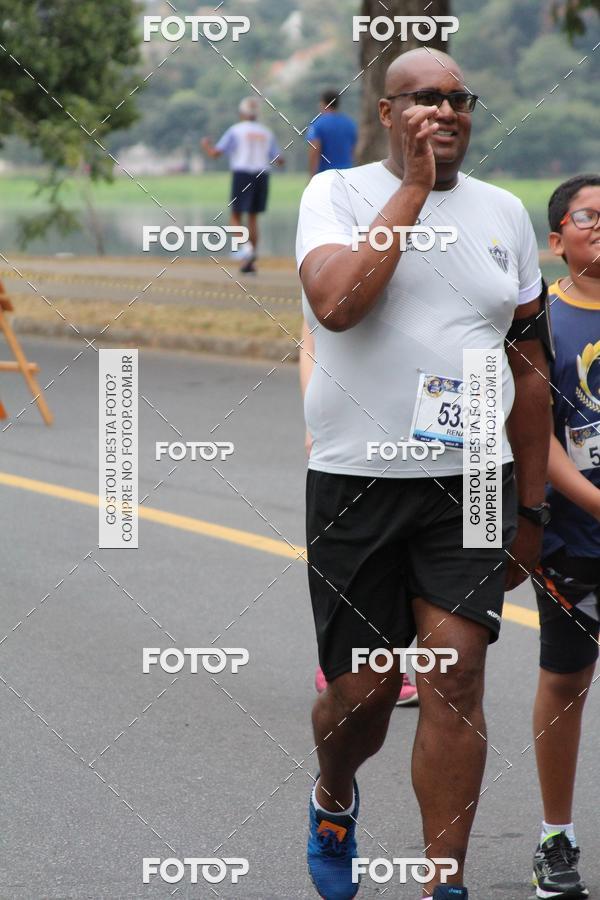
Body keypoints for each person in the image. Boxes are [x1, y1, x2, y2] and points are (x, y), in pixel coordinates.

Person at [296, 48, 553, 900]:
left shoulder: (505, 214)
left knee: (457, 674)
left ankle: (444, 883)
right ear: (386, 112)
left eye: (459, 98)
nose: (447, 111)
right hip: (357, 479)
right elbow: (338, 305)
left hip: (474, 477)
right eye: (425, 99)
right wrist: (411, 188)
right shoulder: (334, 196)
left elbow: (528, 368)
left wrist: (530, 507)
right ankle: (335, 791)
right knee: (363, 697)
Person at [529, 174, 600, 900]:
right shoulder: (540, 321)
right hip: (571, 545)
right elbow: (535, 439)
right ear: (558, 239)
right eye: (589, 217)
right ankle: (557, 837)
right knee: (567, 679)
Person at [299, 320, 419, 706]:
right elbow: (312, 341)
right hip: (352, 438)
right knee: (355, 559)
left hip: (428, 429)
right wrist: (314, 418)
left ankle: (392, 659)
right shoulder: (338, 263)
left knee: (417, 557)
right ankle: (338, 659)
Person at [201, 97, 283, 274]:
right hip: (262, 174)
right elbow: (279, 160)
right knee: (253, 217)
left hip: (242, 174)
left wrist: (206, 146)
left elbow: (216, 154)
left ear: (242, 113)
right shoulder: (266, 132)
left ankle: (246, 250)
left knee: (235, 217)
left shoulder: (235, 131)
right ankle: (249, 262)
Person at [306, 89, 358, 178]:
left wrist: (312, 176)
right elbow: (353, 150)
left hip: (325, 175)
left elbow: (314, 150)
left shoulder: (318, 124)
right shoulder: (350, 124)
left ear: (323, 103)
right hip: (346, 174)